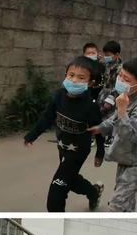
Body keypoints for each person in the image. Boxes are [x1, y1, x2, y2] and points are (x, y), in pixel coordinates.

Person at [24, 56, 104, 212]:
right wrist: (32, 135)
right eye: (71, 75)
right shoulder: (58, 96)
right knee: (71, 179)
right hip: (63, 146)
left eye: (81, 78)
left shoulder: (90, 106)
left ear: (90, 83)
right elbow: (47, 117)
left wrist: (100, 152)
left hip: (78, 151)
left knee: (56, 196)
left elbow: (99, 130)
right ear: (65, 75)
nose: (74, 81)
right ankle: (94, 192)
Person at [88, 57, 137, 212]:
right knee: (126, 200)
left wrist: (122, 110)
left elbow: (128, 134)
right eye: (120, 76)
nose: (120, 80)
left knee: (117, 204)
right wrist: (99, 128)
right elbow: (113, 120)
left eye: (126, 79)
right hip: (125, 158)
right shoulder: (127, 97)